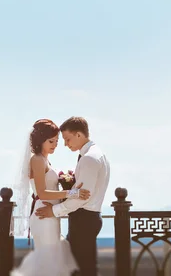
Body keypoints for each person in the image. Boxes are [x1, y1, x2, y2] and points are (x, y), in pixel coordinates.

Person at [11, 119, 91, 276]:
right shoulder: (37, 160)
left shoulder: (45, 159)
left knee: (53, 259)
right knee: (48, 260)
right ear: (41, 140)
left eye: (57, 141)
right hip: (43, 214)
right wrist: (72, 193)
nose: (55, 145)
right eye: (51, 141)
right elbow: (42, 193)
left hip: (51, 214)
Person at [35, 116, 111, 276]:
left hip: (84, 219)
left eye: (67, 139)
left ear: (79, 135)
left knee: (80, 269)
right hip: (89, 218)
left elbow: (81, 198)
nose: (65, 144)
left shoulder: (90, 158)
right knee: (84, 267)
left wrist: (54, 211)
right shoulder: (96, 154)